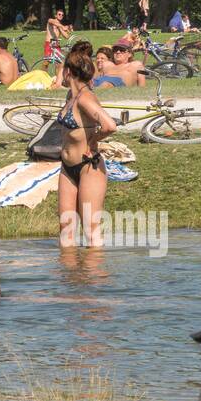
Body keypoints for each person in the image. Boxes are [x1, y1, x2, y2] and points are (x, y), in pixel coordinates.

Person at [55, 41, 118, 248]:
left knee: (91, 230)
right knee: (66, 229)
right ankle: (70, 278)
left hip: (88, 167)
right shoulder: (70, 97)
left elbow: (109, 125)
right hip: (67, 167)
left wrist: (93, 140)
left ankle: (94, 277)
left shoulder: (85, 98)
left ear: (69, 73)